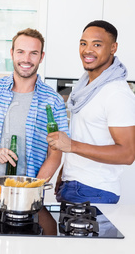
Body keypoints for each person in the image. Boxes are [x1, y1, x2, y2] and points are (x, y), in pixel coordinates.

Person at [0, 28, 69, 201]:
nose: (26, 59)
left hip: (26, 198)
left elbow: (55, 155)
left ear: (41, 57)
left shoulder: (53, 101)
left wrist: (31, 191)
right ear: (12, 53)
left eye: (33, 53)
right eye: (21, 52)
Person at [47, 20, 135, 204]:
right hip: (74, 185)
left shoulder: (116, 93)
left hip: (94, 190)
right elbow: (88, 135)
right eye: (83, 43)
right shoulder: (86, 87)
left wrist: (71, 145)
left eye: (97, 44)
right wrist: (64, 172)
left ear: (113, 48)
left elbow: (128, 154)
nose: (87, 50)